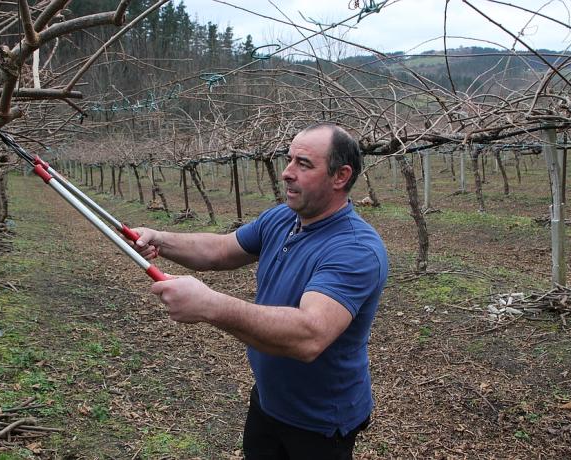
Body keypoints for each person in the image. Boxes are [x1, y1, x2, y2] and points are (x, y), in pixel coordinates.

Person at [131, 123, 388, 460]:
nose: (286, 172)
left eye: (303, 164)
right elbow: (220, 250)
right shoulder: (282, 218)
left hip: (320, 421)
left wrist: (210, 305)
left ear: (340, 176)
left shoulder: (355, 248)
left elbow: (309, 335)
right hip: (269, 401)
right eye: (289, 159)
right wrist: (160, 239)